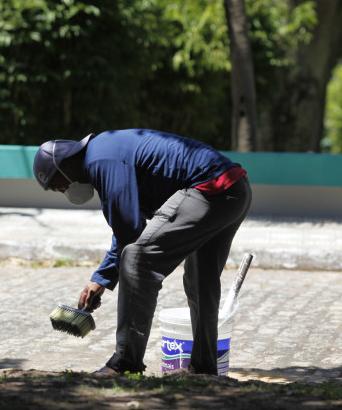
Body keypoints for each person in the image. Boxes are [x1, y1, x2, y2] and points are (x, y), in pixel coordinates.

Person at [32, 129, 252, 375]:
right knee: (201, 281)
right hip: (234, 190)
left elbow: (129, 232)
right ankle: (204, 369)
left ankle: (125, 364)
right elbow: (128, 225)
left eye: (58, 184)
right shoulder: (105, 149)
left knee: (137, 260)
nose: (62, 190)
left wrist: (104, 276)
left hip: (210, 189)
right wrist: (101, 279)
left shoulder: (99, 161)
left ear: (65, 164)